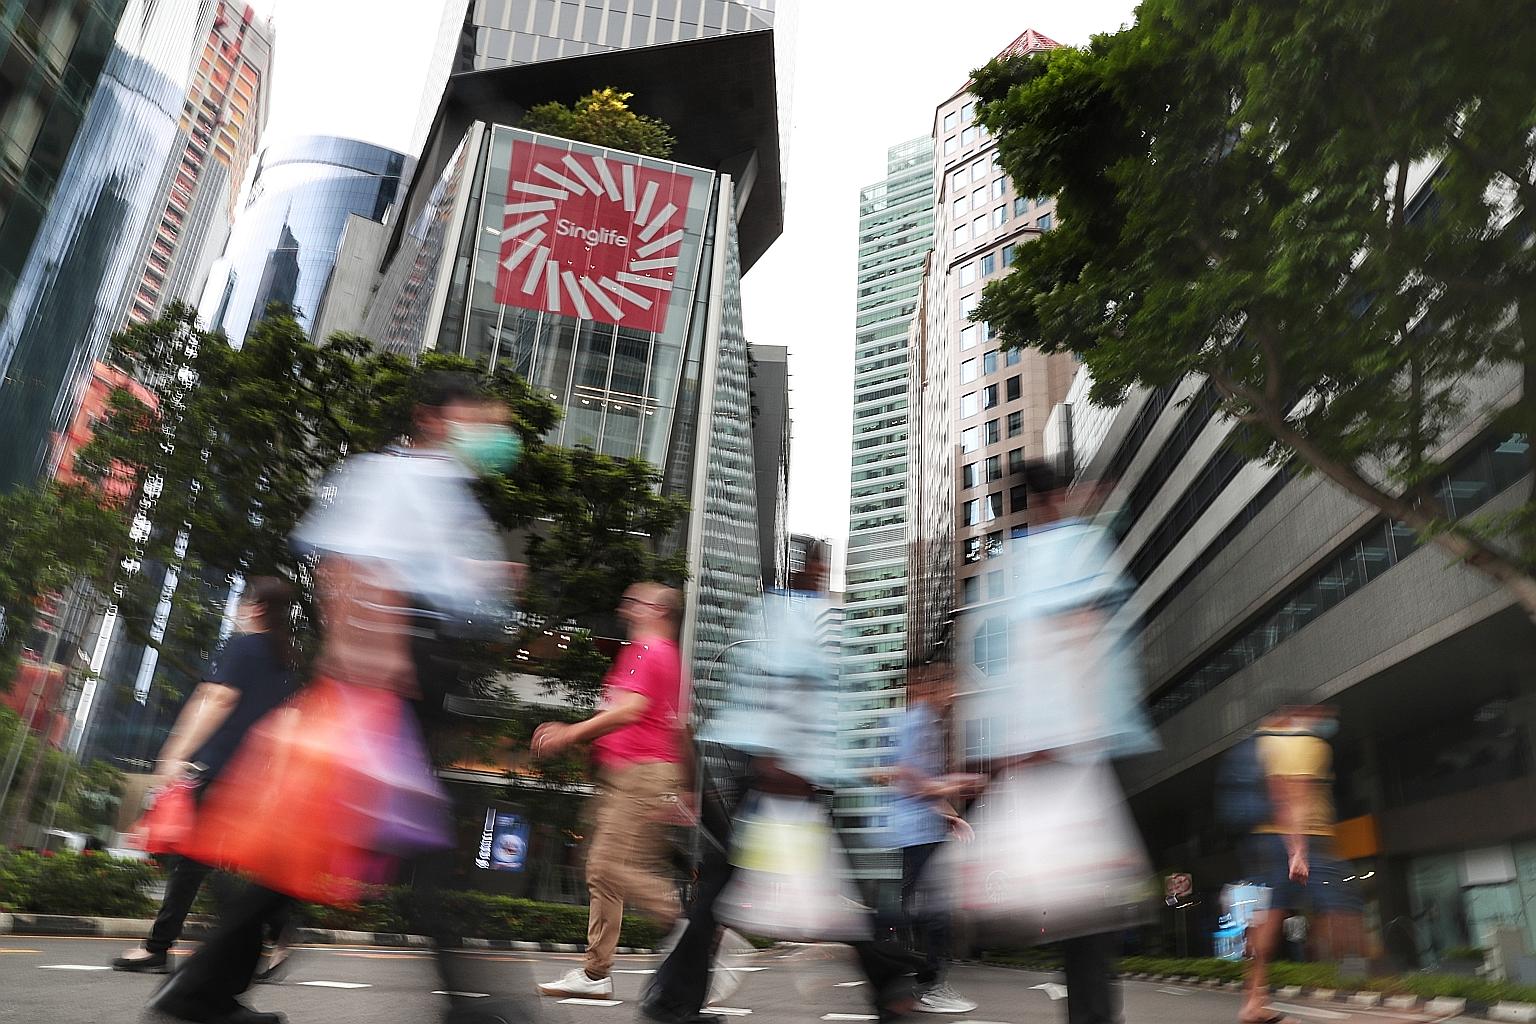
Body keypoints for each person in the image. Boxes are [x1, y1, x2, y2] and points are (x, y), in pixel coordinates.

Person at [148, 373, 522, 1024]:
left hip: (407, 680)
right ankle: (472, 1004)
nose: (491, 431)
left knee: (313, 843)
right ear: (433, 418)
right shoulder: (398, 477)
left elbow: (453, 593)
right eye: (478, 416)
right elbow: (346, 568)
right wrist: (373, 666)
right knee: (426, 847)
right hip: (386, 681)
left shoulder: (448, 493)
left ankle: (201, 993)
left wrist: (483, 584)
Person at [641, 538, 923, 1024]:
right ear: (798, 569)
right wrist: (778, 761)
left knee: (785, 890)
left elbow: (835, 696)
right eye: (812, 566)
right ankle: (890, 986)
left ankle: (675, 1002)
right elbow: (768, 691)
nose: (817, 574)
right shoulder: (779, 615)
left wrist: (818, 766)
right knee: (738, 891)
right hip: (775, 777)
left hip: (794, 780)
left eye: (819, 566)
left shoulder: (815, 621)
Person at [957, 460, 1159, 1024]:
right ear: (1059, 498)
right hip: (1070, 753)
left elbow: (986, 666)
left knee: (1075, 916)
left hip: (1034, 757)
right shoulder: (1077, 549)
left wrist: (999, 756)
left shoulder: (1009, 568)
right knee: (1089, 918)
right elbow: (1088, 636)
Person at [113, 577, 300, 978]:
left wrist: (175, 752)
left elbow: (215, 698)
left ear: (258, 607)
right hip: (250, 777)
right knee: (209, 861)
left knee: (192, 861)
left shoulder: (243, 646)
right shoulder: (284, 661)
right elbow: (286, 724)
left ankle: (161, 948)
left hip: (216, 769)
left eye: (244, 601)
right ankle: (277, 925)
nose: (237, 608)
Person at [532, 582, 689, 999]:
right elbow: (671, 724)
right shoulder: (659, 655)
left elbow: (630, 710)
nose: (626, 606)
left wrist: (569, 735)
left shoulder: (648, 650)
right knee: (604, 874)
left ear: (658, 609)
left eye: (635, 601)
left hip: (639, 774)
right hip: (629, 774)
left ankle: (689, 929)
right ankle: (595, 973)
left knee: (606, 867)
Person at [1237, 704, 1360, 1024]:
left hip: (1266, 840)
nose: (1326, 722)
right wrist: (1298, 851)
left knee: (1269, 917)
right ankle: (1379, 989)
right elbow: (1293, 796)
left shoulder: (1265, 742)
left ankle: (1254, 1001)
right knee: (1345, 908)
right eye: (1323, 716)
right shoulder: (1306, 744)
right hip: (1305, 838)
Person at [879, 653, 981, 1014]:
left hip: (925, 830)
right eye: (947, 684)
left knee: (927, 911)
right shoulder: (917, 723)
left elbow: (922, 785)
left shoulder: (928, 723)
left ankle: (914, 979)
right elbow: (910, 781)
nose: (952, 693)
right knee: (930, 913)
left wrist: (952, 817)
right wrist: (956, 784)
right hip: (917, 833)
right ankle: (926, 984)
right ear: (928, 685)